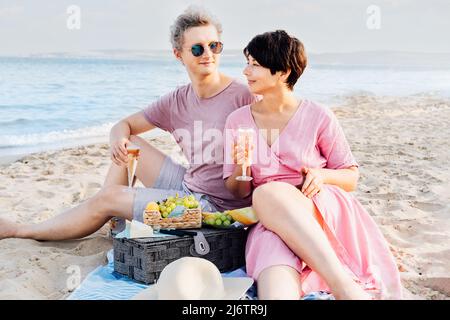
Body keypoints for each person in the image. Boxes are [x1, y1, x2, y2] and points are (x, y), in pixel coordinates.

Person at [0, 7, 254, 241]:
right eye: (197, 49)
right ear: (179, 55)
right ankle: (110, 211)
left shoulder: (243, 96)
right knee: (130, 143)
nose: (208, 54)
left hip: (214, 208)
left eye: (214, 46)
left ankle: (22, 231)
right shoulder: (177, 100)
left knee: (108, 197)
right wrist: (117, 141)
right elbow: (123, 125)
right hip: (188, 186)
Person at [223, 30, 403, 300]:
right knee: (275, 288)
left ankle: (343, 287)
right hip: (269, 222)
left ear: (282, 72)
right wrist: (242, 167)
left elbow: (350, 177)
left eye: (255, 65)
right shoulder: (237, 121)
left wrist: (322, 175)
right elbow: (236, 192)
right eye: (248, 63)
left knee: (267, 191)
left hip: (317, 208)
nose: (246, 71)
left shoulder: (318, 116)